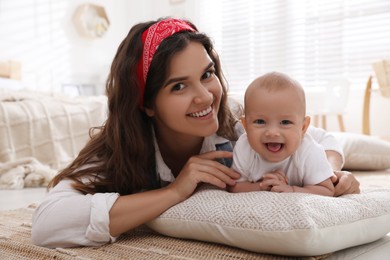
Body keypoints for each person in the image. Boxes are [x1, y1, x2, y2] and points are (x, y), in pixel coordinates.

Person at [31, 17, 360, 248]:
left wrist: (329, 170)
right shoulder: (118, 150)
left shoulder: (235, 123)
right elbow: (47, 223)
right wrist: (175, 191)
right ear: (146, 104)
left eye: (207, 74)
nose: (205, 96)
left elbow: (322, 139)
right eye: (178, 86)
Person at [228, 72, 334, 196]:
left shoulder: (309, 151)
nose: (272, 133)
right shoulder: (244, 147)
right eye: (260, 121)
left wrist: (292, 190)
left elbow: (327, 190)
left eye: (285, 122)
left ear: (303, 127)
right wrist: (262, 186)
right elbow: (234, 186)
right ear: (245, 126)